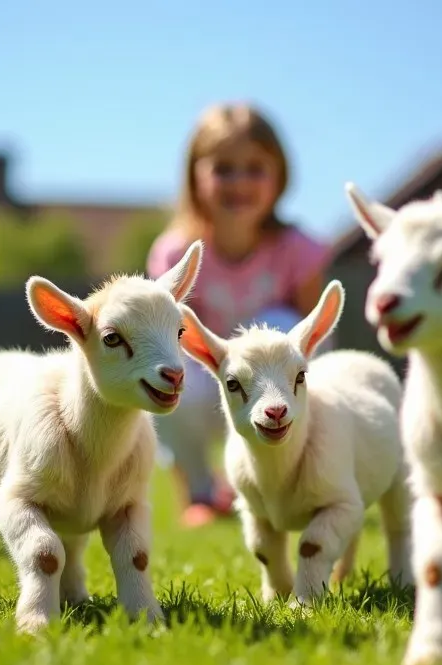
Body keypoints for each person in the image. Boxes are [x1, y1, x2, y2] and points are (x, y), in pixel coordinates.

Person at [147, 101, 333, 528]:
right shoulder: (175, 252)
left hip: (277, 395)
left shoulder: (297, 250)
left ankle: (286, 483)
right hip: (211, 387)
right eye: (224, 168)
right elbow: (166, 335)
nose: (239, 182)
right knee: (163, 367)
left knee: (284, 326)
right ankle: (197, 492)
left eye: (255, 168)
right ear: (196, 175)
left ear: (279, 175)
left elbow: (316, 338)